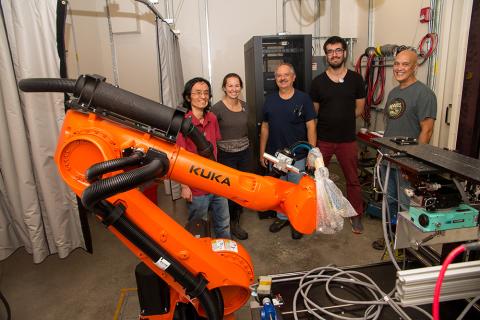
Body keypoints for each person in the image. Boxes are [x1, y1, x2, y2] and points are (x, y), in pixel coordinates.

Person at [372, 47, 437, 250]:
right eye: (397, 64)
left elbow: (426, 131)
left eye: (405, 64)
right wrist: (380, 153)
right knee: (389, 200)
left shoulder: (424, 94)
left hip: (406, 162)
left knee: (405, 204)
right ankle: (391, 236)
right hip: (388, 158)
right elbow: (390, 127)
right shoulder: (393, 92)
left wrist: (414, 162)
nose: (399, 68)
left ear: (415, 67)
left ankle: (406, 245)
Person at [310, 36, 366, 234]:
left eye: (338, 50)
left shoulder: (356, 79)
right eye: (330, 51)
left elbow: (359, 108)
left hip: (347, 141)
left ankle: (355, 215)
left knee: (353, 180)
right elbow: (314, 113)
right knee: (317, 180)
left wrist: (341, 117)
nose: (334, 54)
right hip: (323, 140)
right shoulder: (317, 83)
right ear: (326, 56)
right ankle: (319, 214)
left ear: (344, 53)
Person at [259, 62, 317, 239]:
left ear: (293, 77)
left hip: (298, 157)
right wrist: (262, 152)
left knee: (296, 191)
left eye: (286, 75)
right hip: (275, 157)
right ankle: (282, 217)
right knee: (279, 190)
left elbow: (311, 127)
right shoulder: (270, 100)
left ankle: (295, 221)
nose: (282, 78)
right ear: (275, 79)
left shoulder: (303, 99)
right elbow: (265, 128)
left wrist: (312, 153)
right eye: (278, 76)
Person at [176, 77, 231, 239]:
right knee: (199, 225)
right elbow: (179, 156)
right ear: (188, 97)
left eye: (206, 93)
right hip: (196, 185)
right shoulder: (182, 122)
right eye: (198, 93)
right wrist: (184, 186)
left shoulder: (212, 118)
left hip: (216, 181)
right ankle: (202, 258)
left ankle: (226, 254)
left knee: (223, 222)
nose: (203, 97)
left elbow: (215, 148)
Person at [211, 73, 250, 240]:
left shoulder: (246, 106)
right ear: (224, 88)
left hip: (245, 154)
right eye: (230, 85)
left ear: (240, 87)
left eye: (237, 85)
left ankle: (236, 219)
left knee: (242, 190)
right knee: (229, 191)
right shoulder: (216, 109)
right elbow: (211, 134)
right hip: (226, 156)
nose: (234, 89)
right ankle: (229, 224)